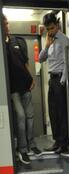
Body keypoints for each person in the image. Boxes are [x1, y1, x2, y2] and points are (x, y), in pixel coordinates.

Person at [2, 13, 42, 165]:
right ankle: (22, 149)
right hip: (12, 89)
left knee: (30, 116)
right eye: (4, 23)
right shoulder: (1, 44)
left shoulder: (17, 41)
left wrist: (31, 78)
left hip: (25, 85)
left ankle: (31, 145)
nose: (7, 26)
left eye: (7, 23)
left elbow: (25, 63)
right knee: (20, 116)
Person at [39, 12, 69, 154]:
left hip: (59, 80)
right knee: (53, 112)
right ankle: (57, 140)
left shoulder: (64, 40)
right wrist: (46, 46)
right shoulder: (48, 40)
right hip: (52, 80)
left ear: (57, 25)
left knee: (61, 112)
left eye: (52, 28)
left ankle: (63, 142)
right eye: (48, 29)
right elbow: (40, 59)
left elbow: (67, 63)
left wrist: (63, 82)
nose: (50, 31)